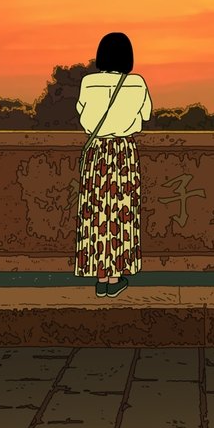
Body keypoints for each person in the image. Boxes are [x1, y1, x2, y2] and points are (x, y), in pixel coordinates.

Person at [75, 32, 152, 297]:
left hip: (97, 152)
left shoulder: (88, 82)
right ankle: (116, 274)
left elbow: (82, 114)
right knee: (122, 211)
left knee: (96, 211)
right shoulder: (137, 83)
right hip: (123, 153)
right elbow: (145, 115)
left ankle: (100, 276)